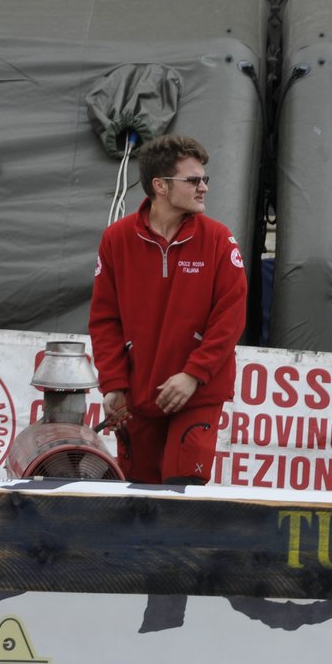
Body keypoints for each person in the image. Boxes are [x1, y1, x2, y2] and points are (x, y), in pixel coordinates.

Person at [89, 134, 247, 484]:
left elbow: (230, 318)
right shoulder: (116, 239)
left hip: (199, 392)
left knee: (182, 491)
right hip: (138, 393)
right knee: (136, 494)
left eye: (205, 179)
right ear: (159, 186)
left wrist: (193, 374)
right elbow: (104, 320)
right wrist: (113, 384)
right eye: (193, 180)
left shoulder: (220, 239)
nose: (203, 187)